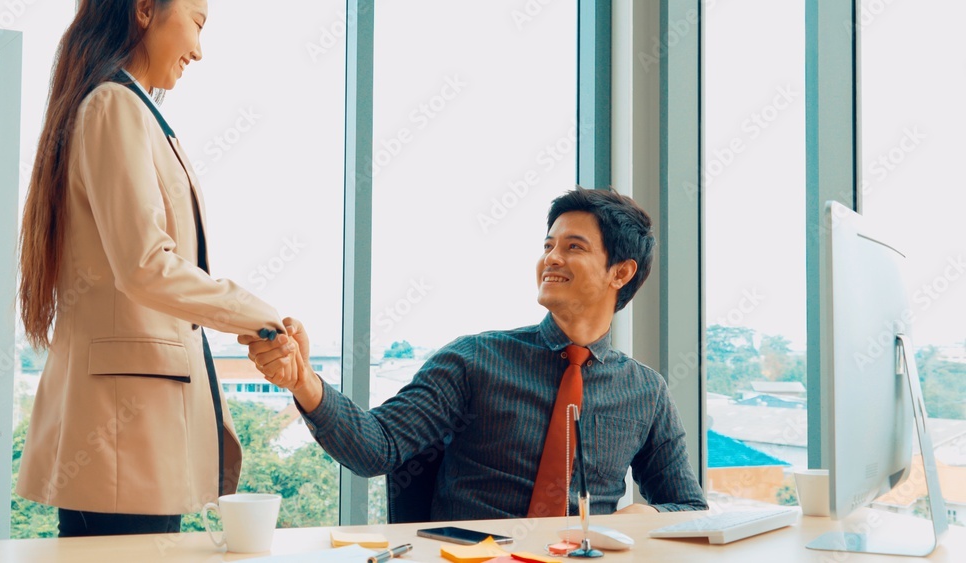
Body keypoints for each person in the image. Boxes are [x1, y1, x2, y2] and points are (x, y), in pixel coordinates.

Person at [244, 188, 708, 521]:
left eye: (573, 247)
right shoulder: (475, 360)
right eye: (548, 245)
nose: (551, 258)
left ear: (620, 273)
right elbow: (376, 448)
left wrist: (638, 519)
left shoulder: (645, 391)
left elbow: (689, 507)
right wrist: (303, 380)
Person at [15, 0, 290, 537]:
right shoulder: (114, 107)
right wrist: (260, 315)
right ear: (145, 10)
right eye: (197, 23)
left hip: (134, 433)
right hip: (122, 437)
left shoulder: (127, 109)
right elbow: (145, 266)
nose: (199, 50)